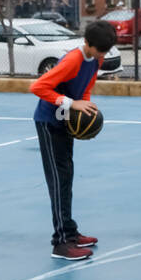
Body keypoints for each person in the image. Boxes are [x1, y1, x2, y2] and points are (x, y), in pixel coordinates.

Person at [29, 20, 116, 261]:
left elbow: (86, 87)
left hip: (65, 122)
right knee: (58, 181)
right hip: (49, 122)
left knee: (66, 176)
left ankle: (70, 230)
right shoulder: (72, 60)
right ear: (87, 43)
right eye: (100, 50)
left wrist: (85, 105)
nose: (102, 55)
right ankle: (60, 243)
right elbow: (38, 87)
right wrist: (71, 103)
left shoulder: (96, 60)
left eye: (105, 51)